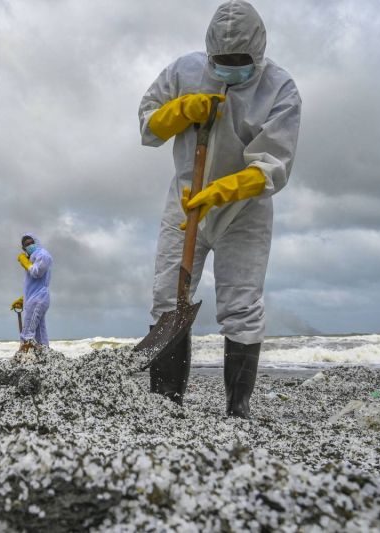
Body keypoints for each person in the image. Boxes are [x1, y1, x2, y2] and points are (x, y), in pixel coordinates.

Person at [138, 0, 301, 418]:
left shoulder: (279, 88)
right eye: (222, 62)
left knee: (241, 305)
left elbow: (275, 165)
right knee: (168, 300)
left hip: (244, 210)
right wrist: (180, 111)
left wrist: (226, 188)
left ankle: (238, 407)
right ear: (210, 53)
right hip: (185, 204)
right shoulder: (184, 71)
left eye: (240, 62)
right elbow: (148, 125)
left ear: (257, 53)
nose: (231, 69)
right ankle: (165, 402)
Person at [10, 233, 53, 352]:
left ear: (36, 242)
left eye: (31, 243)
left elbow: (37, 272)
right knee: (40, 334)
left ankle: (24, 358)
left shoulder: (42, 254)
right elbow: (33, 285)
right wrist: (23, 299)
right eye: (26, 245)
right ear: (24, 248)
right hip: (34, 298)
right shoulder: (33, 257)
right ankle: (45, 354)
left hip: (39, 298)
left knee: (27, 332)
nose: (29, 245)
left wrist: (25, 262)